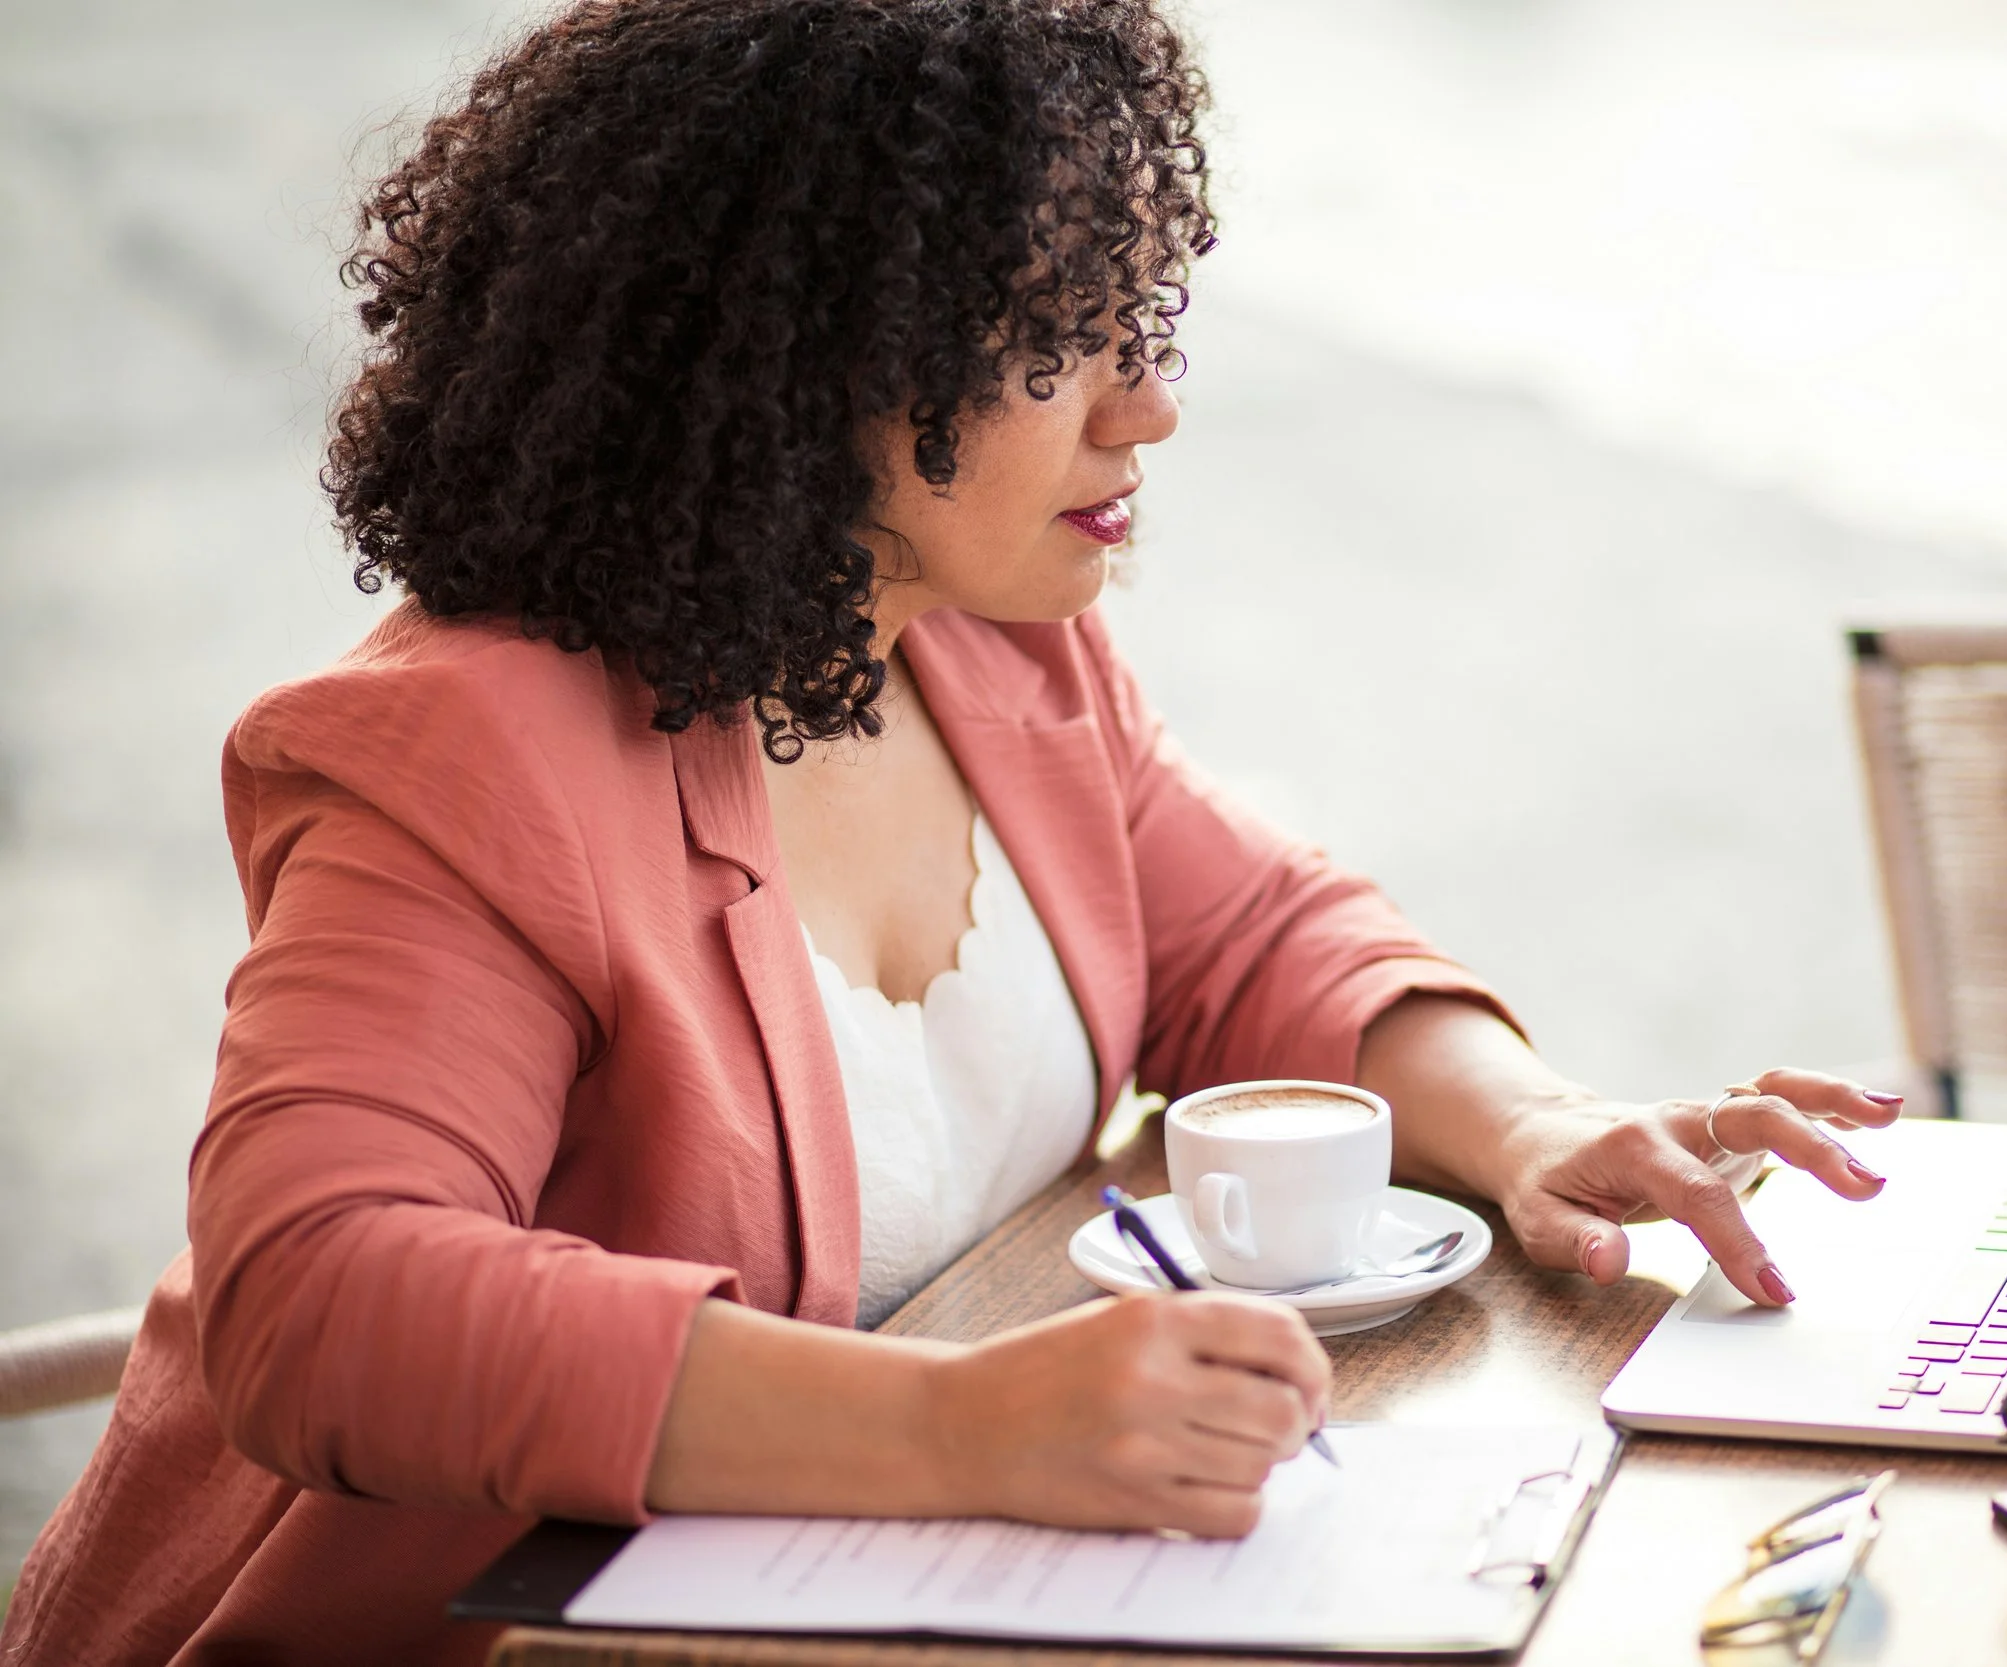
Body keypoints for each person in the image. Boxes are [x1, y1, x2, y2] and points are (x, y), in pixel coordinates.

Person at [0, 2, 1900, 1661]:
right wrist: (963, 1429)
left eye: (1139, 314)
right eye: (1062, 337)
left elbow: (1251, 940)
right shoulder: (463, 757)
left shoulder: (989, 647)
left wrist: (1532, 1119)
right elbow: (318, 1298)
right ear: (813, 357)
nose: (1151, 409)